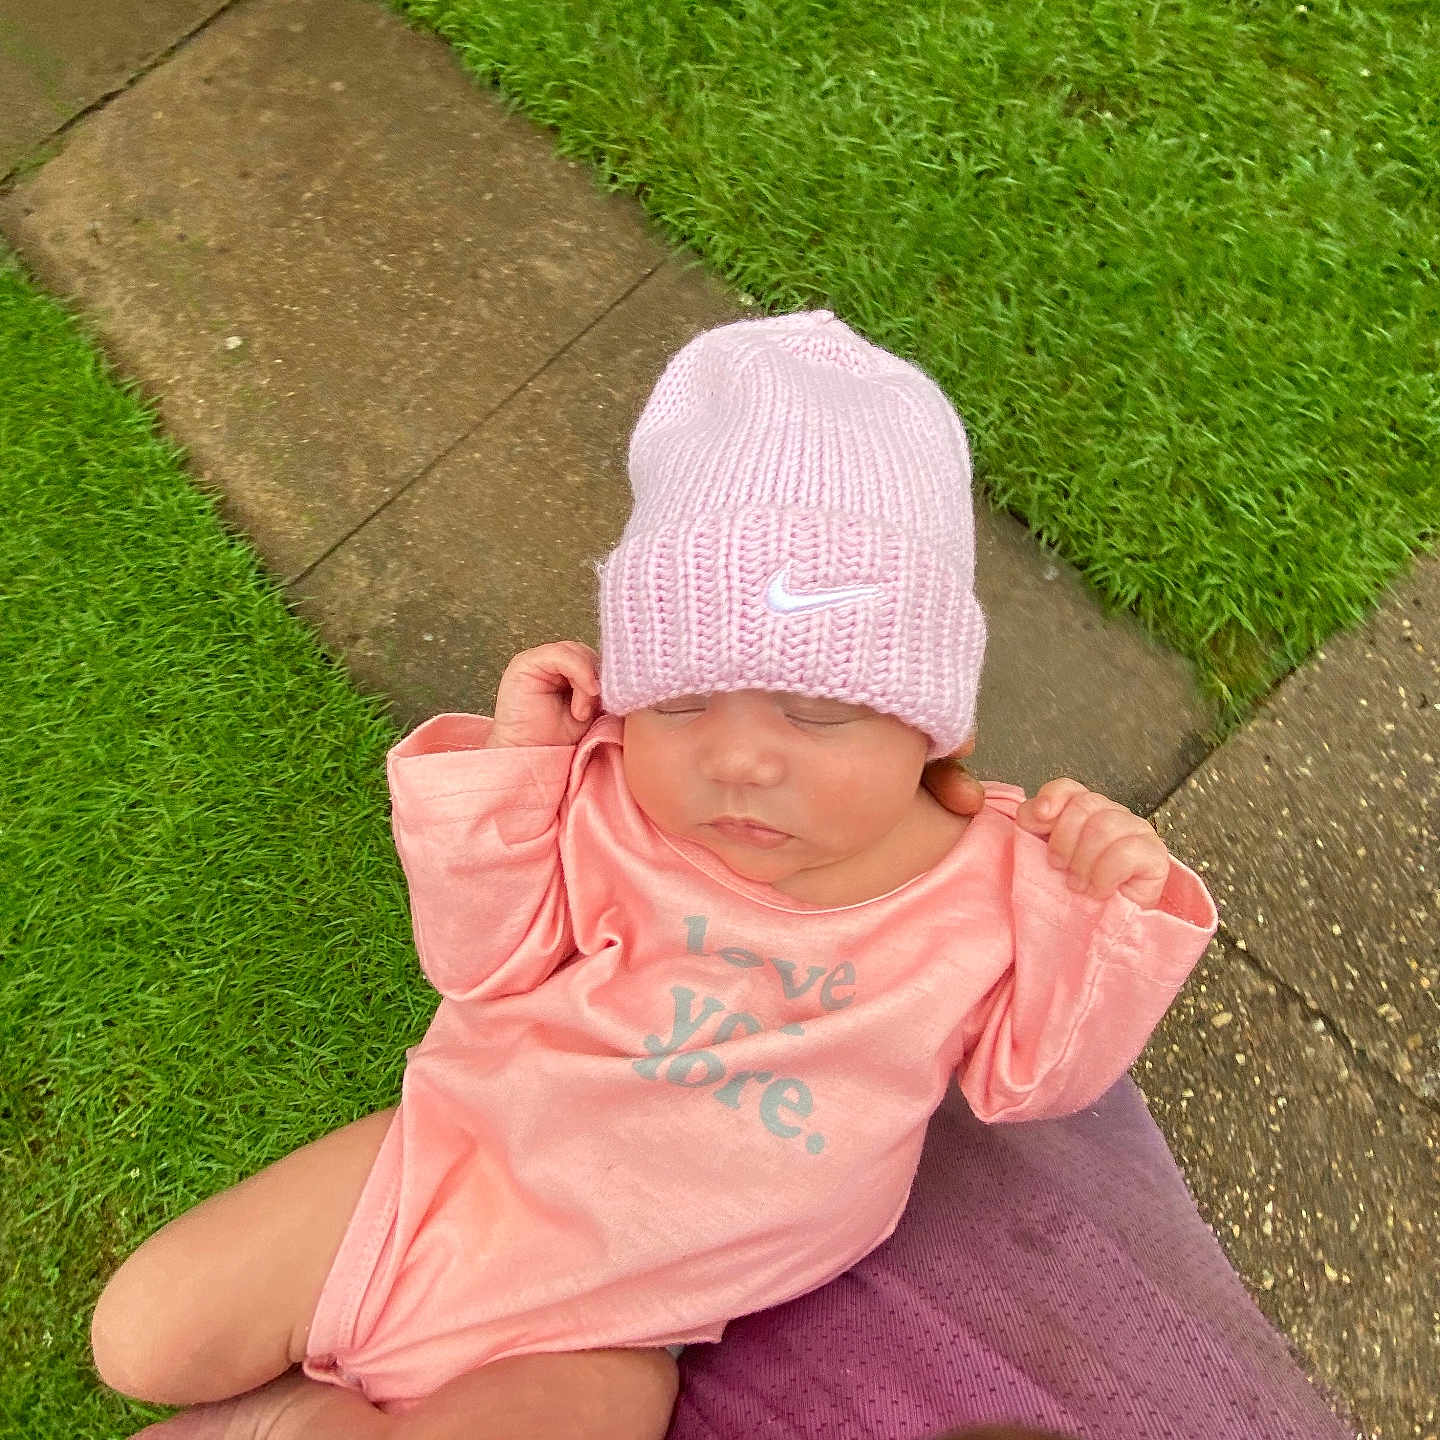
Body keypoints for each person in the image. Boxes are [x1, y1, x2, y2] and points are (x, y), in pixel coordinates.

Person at [90, 312, 1218, 1440]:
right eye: (678, 701)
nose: (736, 759)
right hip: (443, 1169)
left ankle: (312, 1422)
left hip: (610, 1328)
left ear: (930, 722)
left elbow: (1037, 1082)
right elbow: (479, 958)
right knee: (141, 1337)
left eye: (816, 708)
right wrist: (519, 773)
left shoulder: (993, 890)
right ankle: (301, 1411)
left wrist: (1106, 905)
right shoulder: (614, 798)